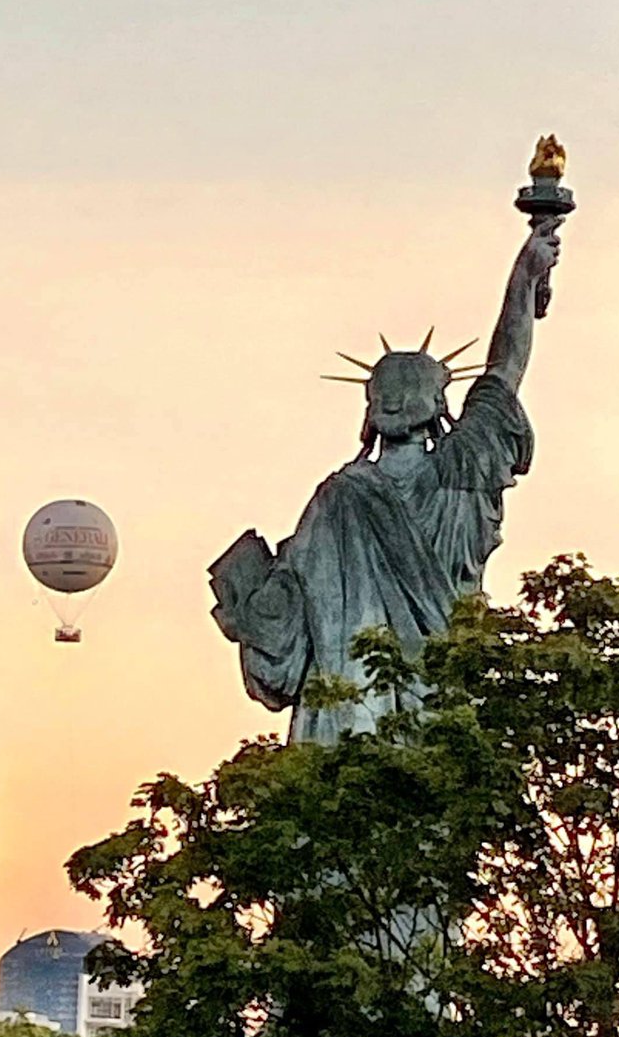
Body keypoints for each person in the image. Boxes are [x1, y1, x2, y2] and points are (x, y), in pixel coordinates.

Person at [209, 217, 563, 744]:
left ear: (372, 413)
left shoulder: (337, 500)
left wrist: (248, 593)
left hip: (345, 724)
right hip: (444, 717)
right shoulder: (460, 473)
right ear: (437, 406)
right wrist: (524, 278)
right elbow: (504, 370)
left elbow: (281, 627)